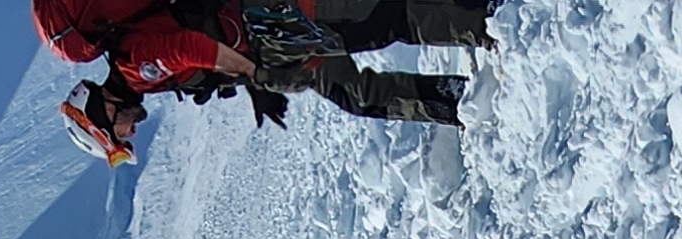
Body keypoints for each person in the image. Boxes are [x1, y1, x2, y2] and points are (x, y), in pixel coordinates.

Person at [39, 0, 486, 159]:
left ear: (105, 113)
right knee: (358, 92)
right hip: (272, 38)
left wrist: (255, 74)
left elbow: (191, 47)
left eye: (118, 137)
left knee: (379, 21)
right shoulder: (137, 72)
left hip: (275, 25)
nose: (130, 135)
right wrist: (257, 84)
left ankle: (487, 20)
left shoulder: (136, 67)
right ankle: (463, 102)